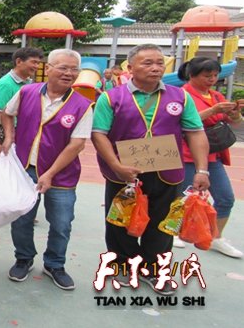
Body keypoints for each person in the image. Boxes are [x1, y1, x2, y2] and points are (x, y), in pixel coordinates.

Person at [91, 44, 210, 296]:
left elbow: (196, 132)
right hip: (124, 171)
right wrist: (116, 165)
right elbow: (99, 134)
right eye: (147, 63)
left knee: (162, 223)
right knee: (119, 221)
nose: (155, 68)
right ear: (130, 67)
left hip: (166, 171)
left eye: (159, 63)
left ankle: (153, 270)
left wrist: (202, 170)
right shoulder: (110, 98)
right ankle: (123, 265)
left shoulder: (180, 97)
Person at [1, 49, 93, 291]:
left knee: (61, 223)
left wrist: (50, 173)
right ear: (48, 68)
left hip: (62, 176)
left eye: (74, 69)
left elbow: (77, 144)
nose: (69, 73)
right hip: (25, 170)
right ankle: (23, 258)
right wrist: (9, 137)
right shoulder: (27, 92)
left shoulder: (83, 105)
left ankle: (55, 264)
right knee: (22, 219)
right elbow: (7, 114)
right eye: (63, 67)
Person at [177, 57, 243, 258]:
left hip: (213, 155)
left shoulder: (216, 96)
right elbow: (182, 122)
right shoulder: (181, 95)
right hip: (187, 154)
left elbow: (236, 123)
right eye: (207, 76)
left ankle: (216, 236)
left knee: (226, 198)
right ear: (192, 75)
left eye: (215, 75)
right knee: (181, 196)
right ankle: (172, 230)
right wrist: (213, 110)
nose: (212, 79)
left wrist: (235, 113)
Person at [0, 47, 44, 143]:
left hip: (22, 131)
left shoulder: (29, 83)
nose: (36, 66)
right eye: (33, 62)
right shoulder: (5, 84)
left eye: (38, 63)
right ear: (19, 62)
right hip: (7, 133)